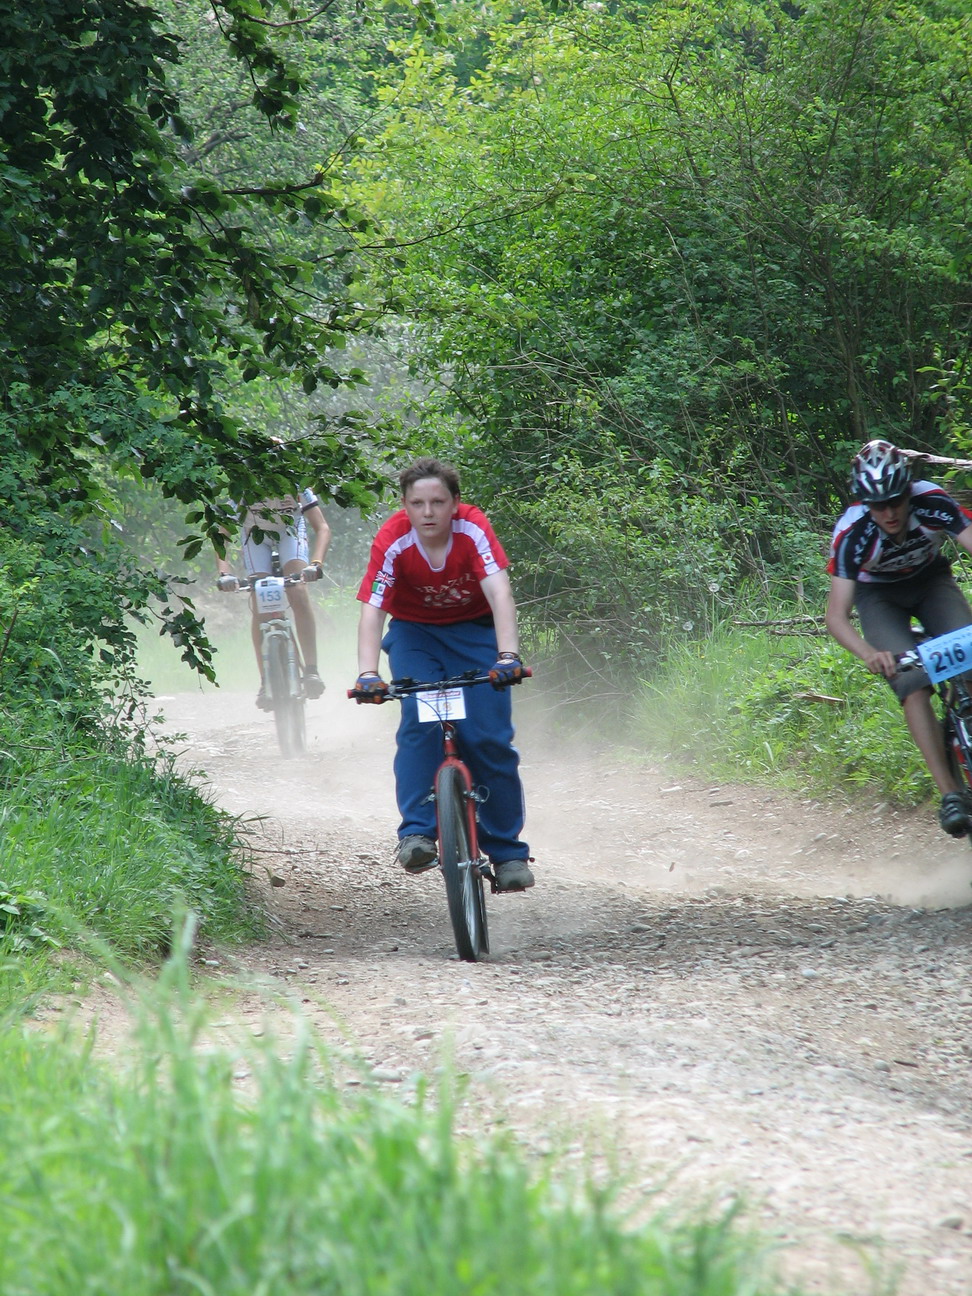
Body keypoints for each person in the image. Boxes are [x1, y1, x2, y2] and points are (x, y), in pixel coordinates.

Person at [351, 456, 534, 892]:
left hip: (476, 634)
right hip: (416, 637)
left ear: (455, 503)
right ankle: (417, 833)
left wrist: (507, 657)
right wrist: (367, 673)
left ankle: (507, 853)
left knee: (488, 739)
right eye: (417, 503)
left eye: (438, 502)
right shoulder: (393, 539)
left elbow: (500, 592)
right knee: (421, 725)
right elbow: (373, 610)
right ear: (405, 505)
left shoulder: (472, 528)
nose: (428, 512)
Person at [826, 438, 972, 836]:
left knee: (969, 656)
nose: (889, 513)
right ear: (864, 503)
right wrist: (869, 653)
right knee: (912, 683)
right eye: (878, 505)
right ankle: (950, 795)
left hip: (931, 583)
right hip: (880, 599)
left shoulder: (932, 501)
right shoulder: (852, 532)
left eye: (895, 501)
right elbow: (836, 617)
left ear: (908, 491)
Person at [216, 489, 331, 708]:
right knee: (259, 601)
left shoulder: (296, 483)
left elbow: (322, 527)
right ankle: (265, 681)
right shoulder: (242, 487)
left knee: (298, 592)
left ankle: (311, 670)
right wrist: (224, 574)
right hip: (255, 536)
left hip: (290, 532)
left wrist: (316, 564)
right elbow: (222, 536)